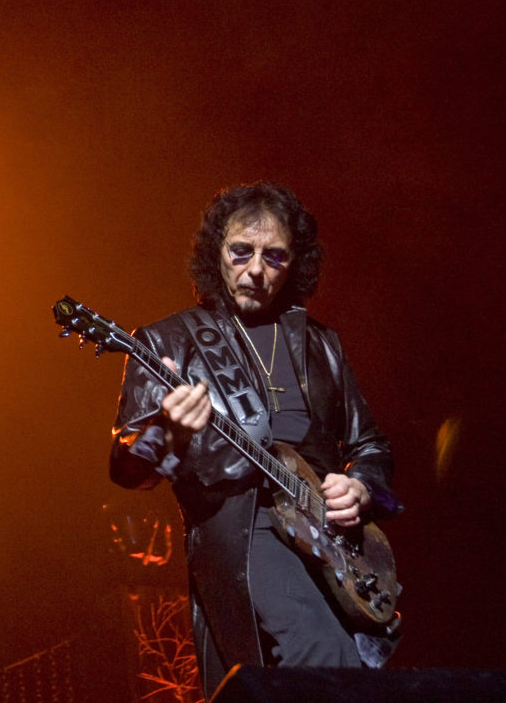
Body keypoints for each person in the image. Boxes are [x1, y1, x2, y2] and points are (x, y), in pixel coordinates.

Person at [109, 181, 402, 696]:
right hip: (246, 533)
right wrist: (167, 431)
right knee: (324, 659)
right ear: (215, 252)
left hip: (329, 543)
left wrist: (361, 487)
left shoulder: (320, 344)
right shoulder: (170, 341)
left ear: (295, 265)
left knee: (335, 680)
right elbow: (128, 468)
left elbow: (371, 445)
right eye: (240, 251)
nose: (255, 271)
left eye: (275, 257)